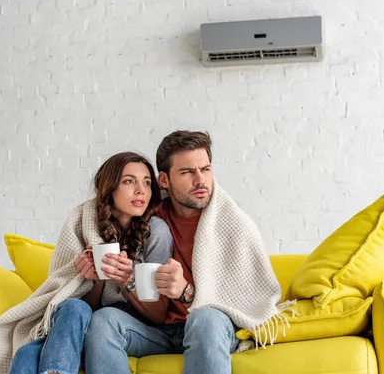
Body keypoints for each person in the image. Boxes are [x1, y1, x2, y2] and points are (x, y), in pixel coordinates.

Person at [84, 131, 290, 374]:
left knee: (205, 320)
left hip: (212, 328)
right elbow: (103, 208)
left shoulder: (233, 225)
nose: (200, 180)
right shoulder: (147, 219)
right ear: (163, 181)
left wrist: (186, 292)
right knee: (104, 320)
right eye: (187, 172)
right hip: (157, 330)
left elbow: (247, 303)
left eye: (205, 169)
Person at [7, 152, 172, 374]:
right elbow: (80, 305)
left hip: (137, 327)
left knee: (33, 350)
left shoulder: (156, 231)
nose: (140, 190)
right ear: (109, 187)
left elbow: (158, 315)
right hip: (89, 322)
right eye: (128, 181)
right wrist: (94, 280)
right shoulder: (83, 223)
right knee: (35, 343)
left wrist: (127, 280)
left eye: (147, 182)